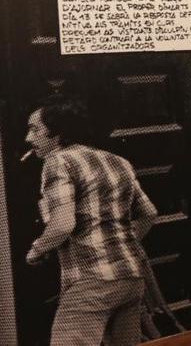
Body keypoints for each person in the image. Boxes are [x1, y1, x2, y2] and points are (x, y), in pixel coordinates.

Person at [24, 95, 157, 346]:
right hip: (130, 278)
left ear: (56, 132)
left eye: (34, 129)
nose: (28, 138)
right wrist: (115, 246)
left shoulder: (57, 161)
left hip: (92, 280)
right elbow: (149, 214)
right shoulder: (118, 161)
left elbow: (64, 224)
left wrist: (37, 248)